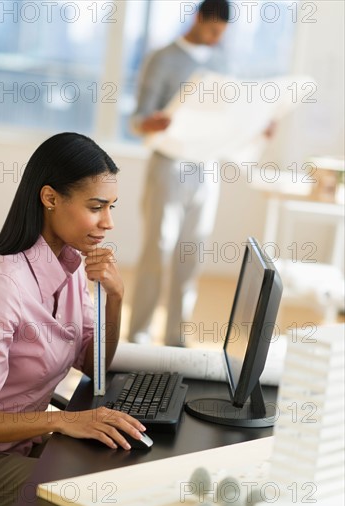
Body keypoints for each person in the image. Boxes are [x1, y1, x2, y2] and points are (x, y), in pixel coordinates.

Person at [0, 132, 147, 506]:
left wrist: (115, 297)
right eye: (96, 206)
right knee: (101, 498)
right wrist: (65, 420)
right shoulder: (2, 284)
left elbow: (93, 364)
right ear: (50, 198)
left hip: (26, 443)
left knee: (121, 469)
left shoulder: (71, 263)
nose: (108, 222)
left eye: (111, 207)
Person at [128, 0, 231, 347]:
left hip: (207, 168)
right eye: (214, 30)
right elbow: (137, 120)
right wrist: (154, 122)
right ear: (199, 18)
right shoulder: (163, 58)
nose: (217, 38)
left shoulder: (220, 60)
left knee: (192, 252)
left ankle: (175, 337)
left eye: (223, 34)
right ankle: (138, 334)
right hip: (169, 165)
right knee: (158, 248)